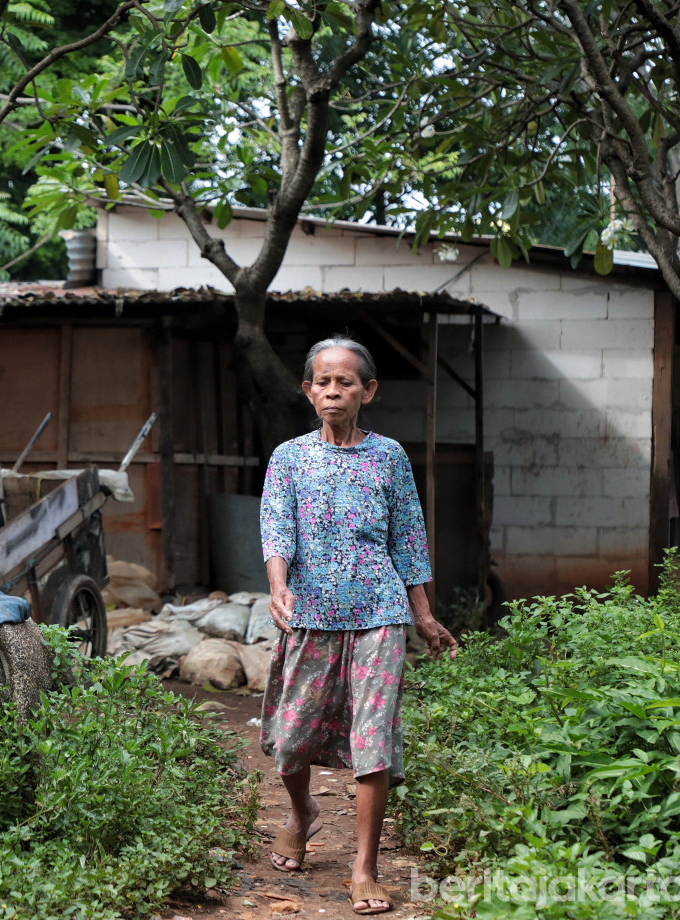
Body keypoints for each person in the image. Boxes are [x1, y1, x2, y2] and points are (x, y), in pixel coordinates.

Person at [258, 336, 458, 916]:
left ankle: (364, 866)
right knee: (291, 738)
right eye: (322, 381)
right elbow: (277, 530)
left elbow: (409, 540)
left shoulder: (389, 457)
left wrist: (422, 613)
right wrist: (278, 585)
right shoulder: (289, 457)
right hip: (311, 612)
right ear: (307, 389)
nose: (332, 390)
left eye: (345, 382)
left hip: (379, 613)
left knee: (372, 741)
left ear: (367, 391)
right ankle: (303, 814)